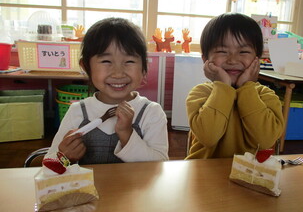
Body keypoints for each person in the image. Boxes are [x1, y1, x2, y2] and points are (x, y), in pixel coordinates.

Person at [46, 18, 169, 164]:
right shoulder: (77, 111)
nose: (118, 73)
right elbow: (50, 163)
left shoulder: (151, 112)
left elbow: (159, 166)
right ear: (86, 67)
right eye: (106, 61)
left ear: (143, 69)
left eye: (129, 61)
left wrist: (126, 133)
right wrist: (65, 157)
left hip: (136, 187)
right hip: (86, 187)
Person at [185, 13, 284, 159]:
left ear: (257, 59)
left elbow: (264, 141)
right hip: (204, 175)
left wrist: (246, 87)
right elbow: (208, 137)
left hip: (249, 175)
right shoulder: (201, 93)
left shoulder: (266, 95)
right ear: (206, 59)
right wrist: (223, 87)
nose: (232, 60)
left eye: (243, 51)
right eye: (222, 51)